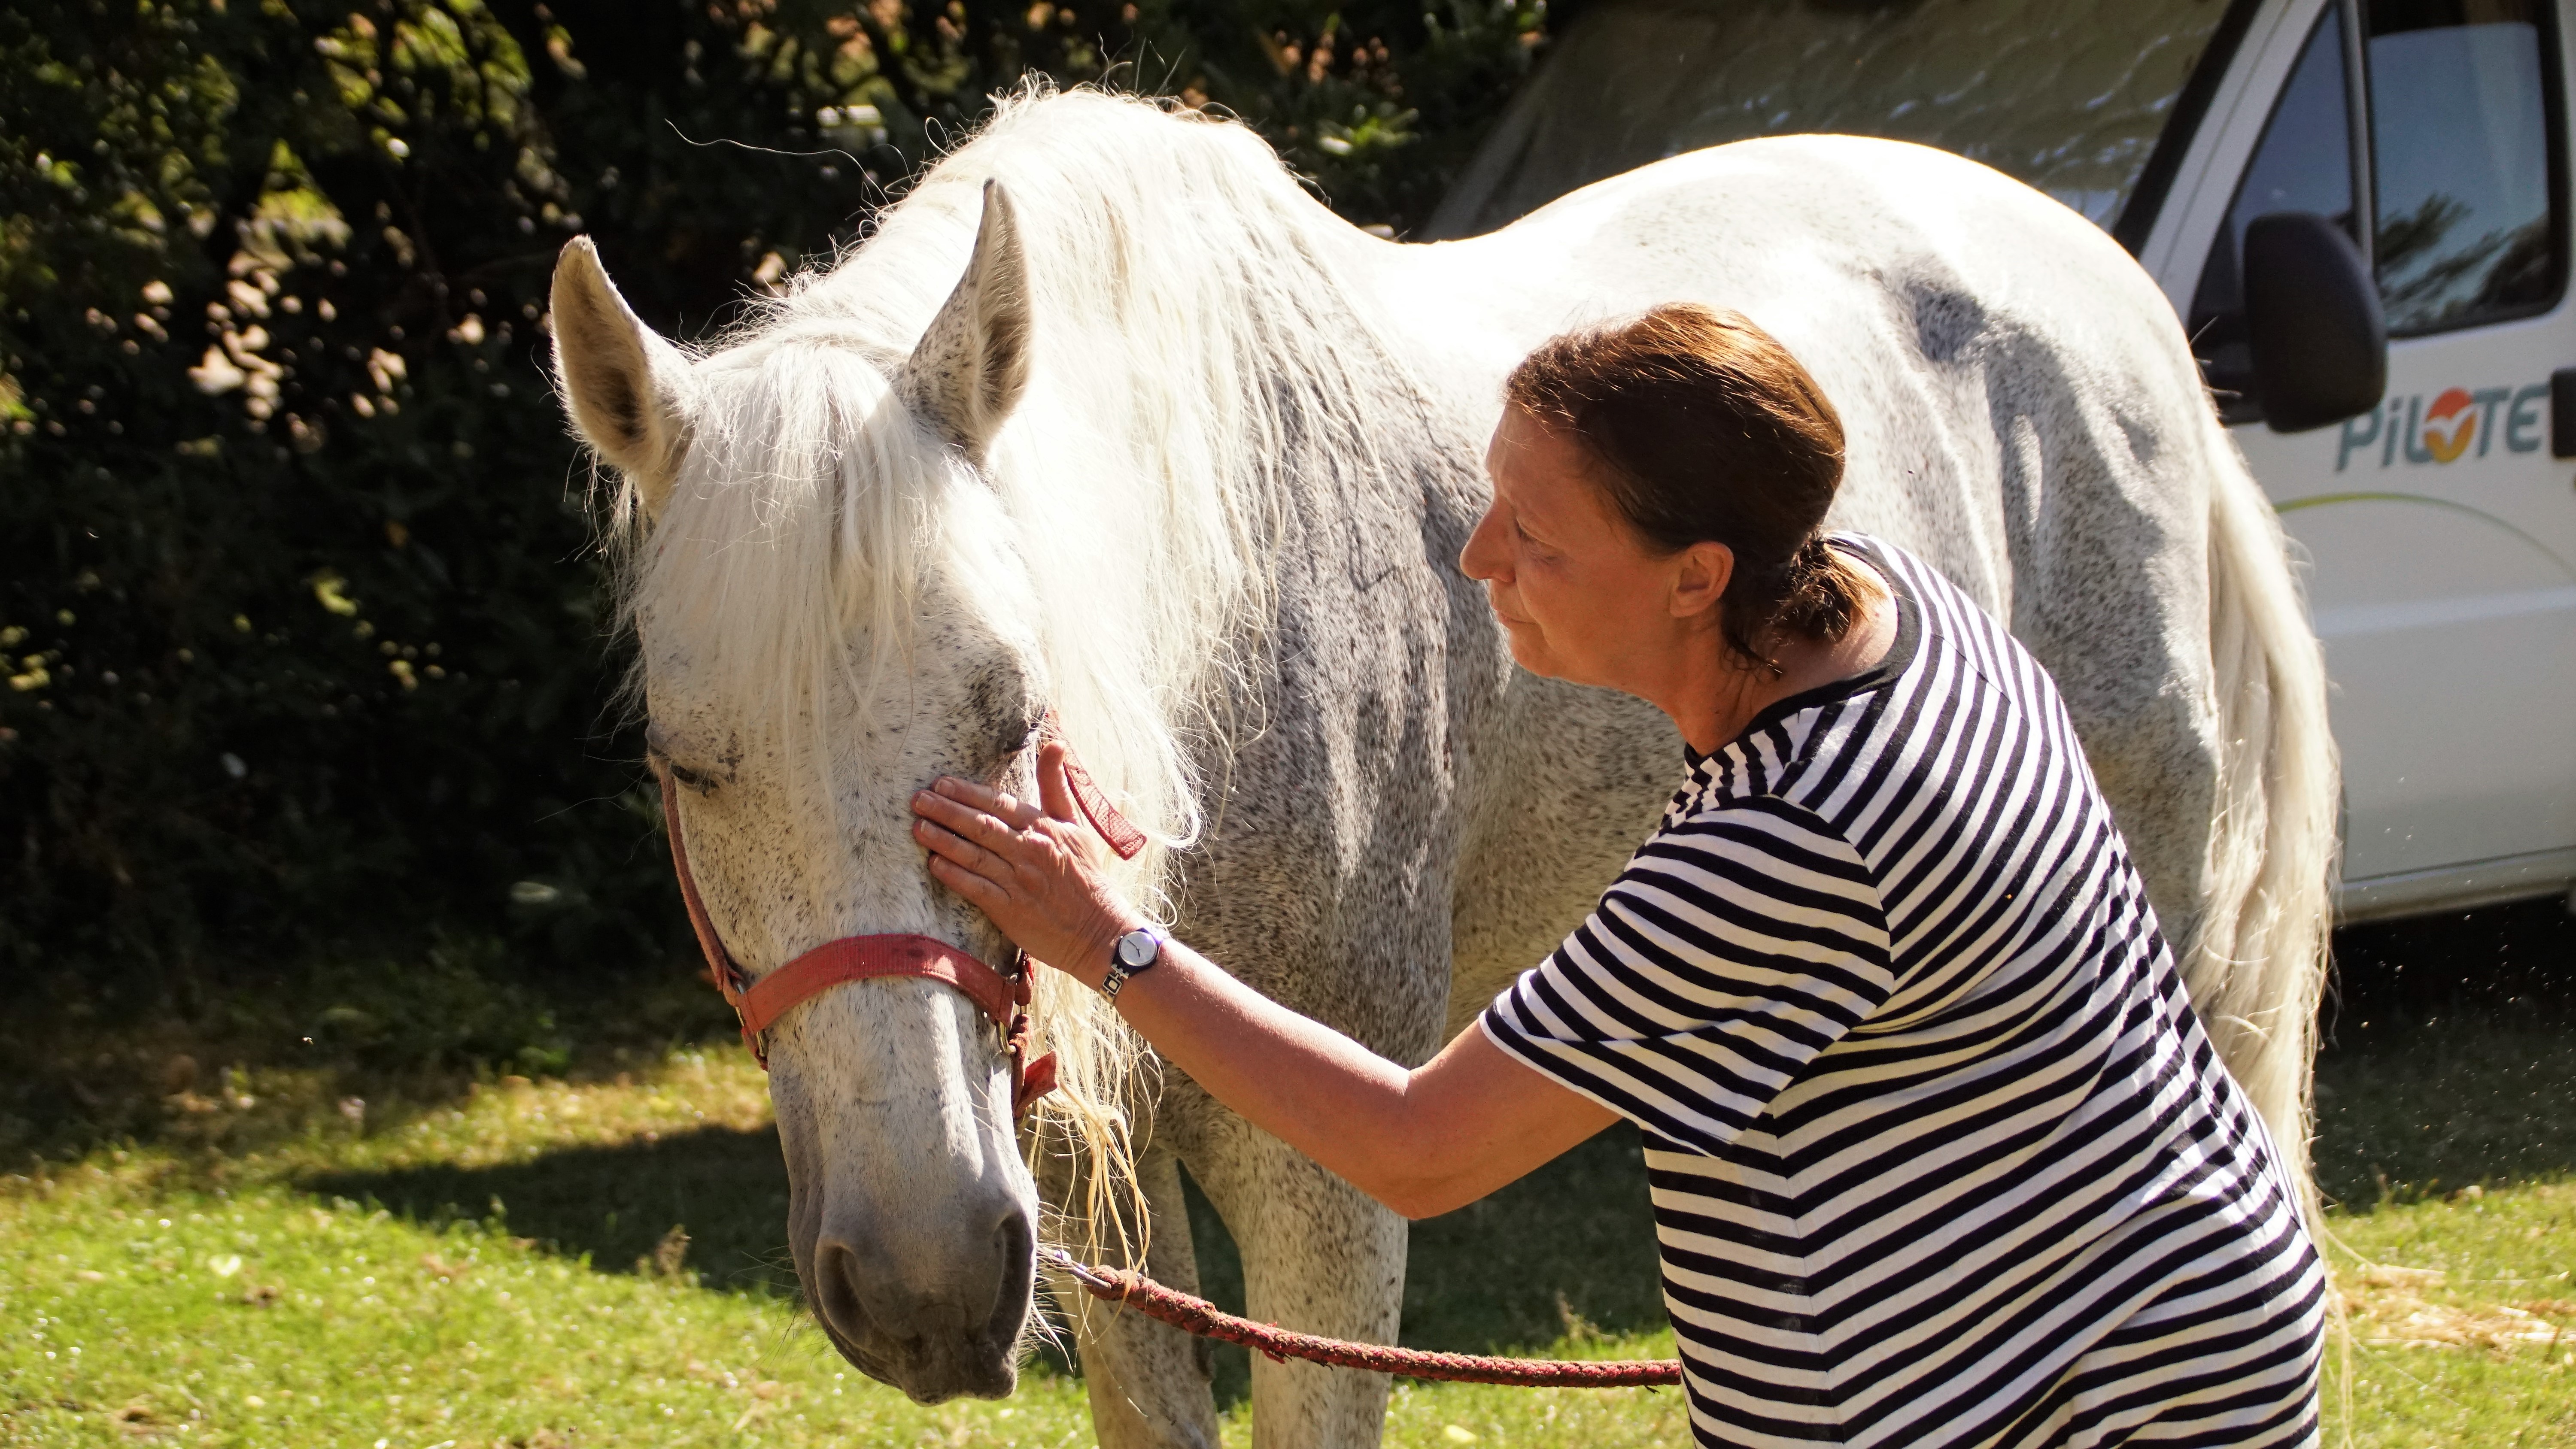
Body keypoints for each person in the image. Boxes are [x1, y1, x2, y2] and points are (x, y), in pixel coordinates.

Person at [909, 303, 2325, 1447]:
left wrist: (1109, 945)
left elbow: (1418, 1146)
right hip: (2140, 1302)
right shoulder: (1888, 603)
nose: (1480, 559)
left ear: (1697, 576)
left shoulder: (1787, 844)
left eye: (1535, 535)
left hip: (2099, 1391)